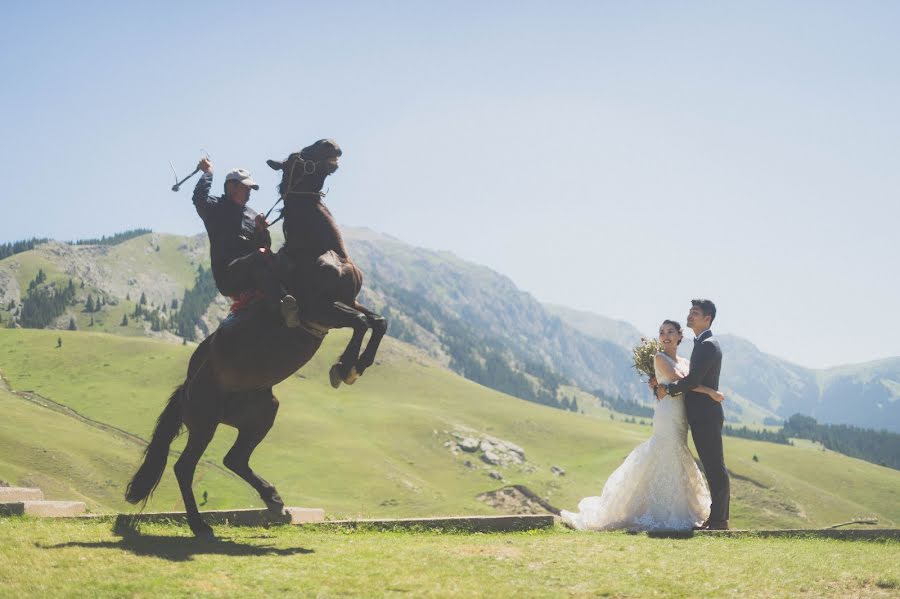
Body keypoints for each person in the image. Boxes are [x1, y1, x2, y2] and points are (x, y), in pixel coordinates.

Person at [560, 319, 721, 531]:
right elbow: (683, 381)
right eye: (662, 332)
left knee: (676, 452)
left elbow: (688, 381)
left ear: (680, 336)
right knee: (666, 450)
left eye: (671, 332)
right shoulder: (660, 357)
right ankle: (658, 511)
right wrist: (710, 391)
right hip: (667, 413)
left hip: (681, 415)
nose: (666, 335)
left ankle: (673, 506)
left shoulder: (685, 361)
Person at [192, 158, 300, 327]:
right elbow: (198, 198)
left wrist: (261, 231)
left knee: (281, 258)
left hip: (252, 271)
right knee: (262, 256)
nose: (249, 191)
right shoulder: (214, 208)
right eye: (245, 187)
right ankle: (282, 306)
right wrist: (208, 172)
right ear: (231, 187)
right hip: (228, 276)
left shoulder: (252, 215)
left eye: (250, 188)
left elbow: (263, 246)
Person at [656, 299, 730, 530]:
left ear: (707, 318)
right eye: (689, 312)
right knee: (712, 465)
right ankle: (717, 519)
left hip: (706, 414)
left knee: (714, 466)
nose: (689, 316)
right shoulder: (701, 343)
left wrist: (667, 389)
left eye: (695, 313)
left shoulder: (707, 344)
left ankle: (718, 521)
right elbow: (691, 379)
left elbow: (692, 380)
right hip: (700, 414)